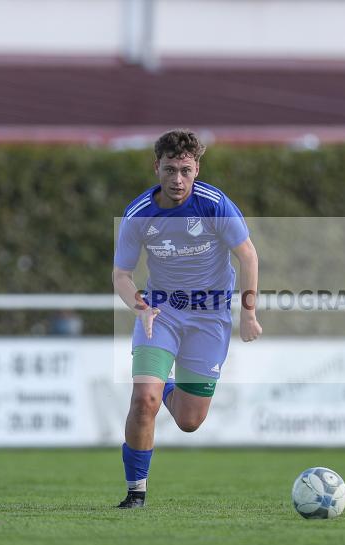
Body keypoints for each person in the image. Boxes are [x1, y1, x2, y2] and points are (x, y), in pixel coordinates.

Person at [112, 129, 262, 509]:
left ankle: (165, 386)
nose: (177, 180)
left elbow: (248, 256)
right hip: (161, 314)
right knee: (143, 399)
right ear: (156, 167)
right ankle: (136, 492)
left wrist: (248, 313)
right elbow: (121, 276)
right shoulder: (138, 215)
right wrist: (140, 306)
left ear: (197, 169)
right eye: (169, 170)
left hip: (209, 319)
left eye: (185, 170)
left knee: (190, 422)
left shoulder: (214, 204)